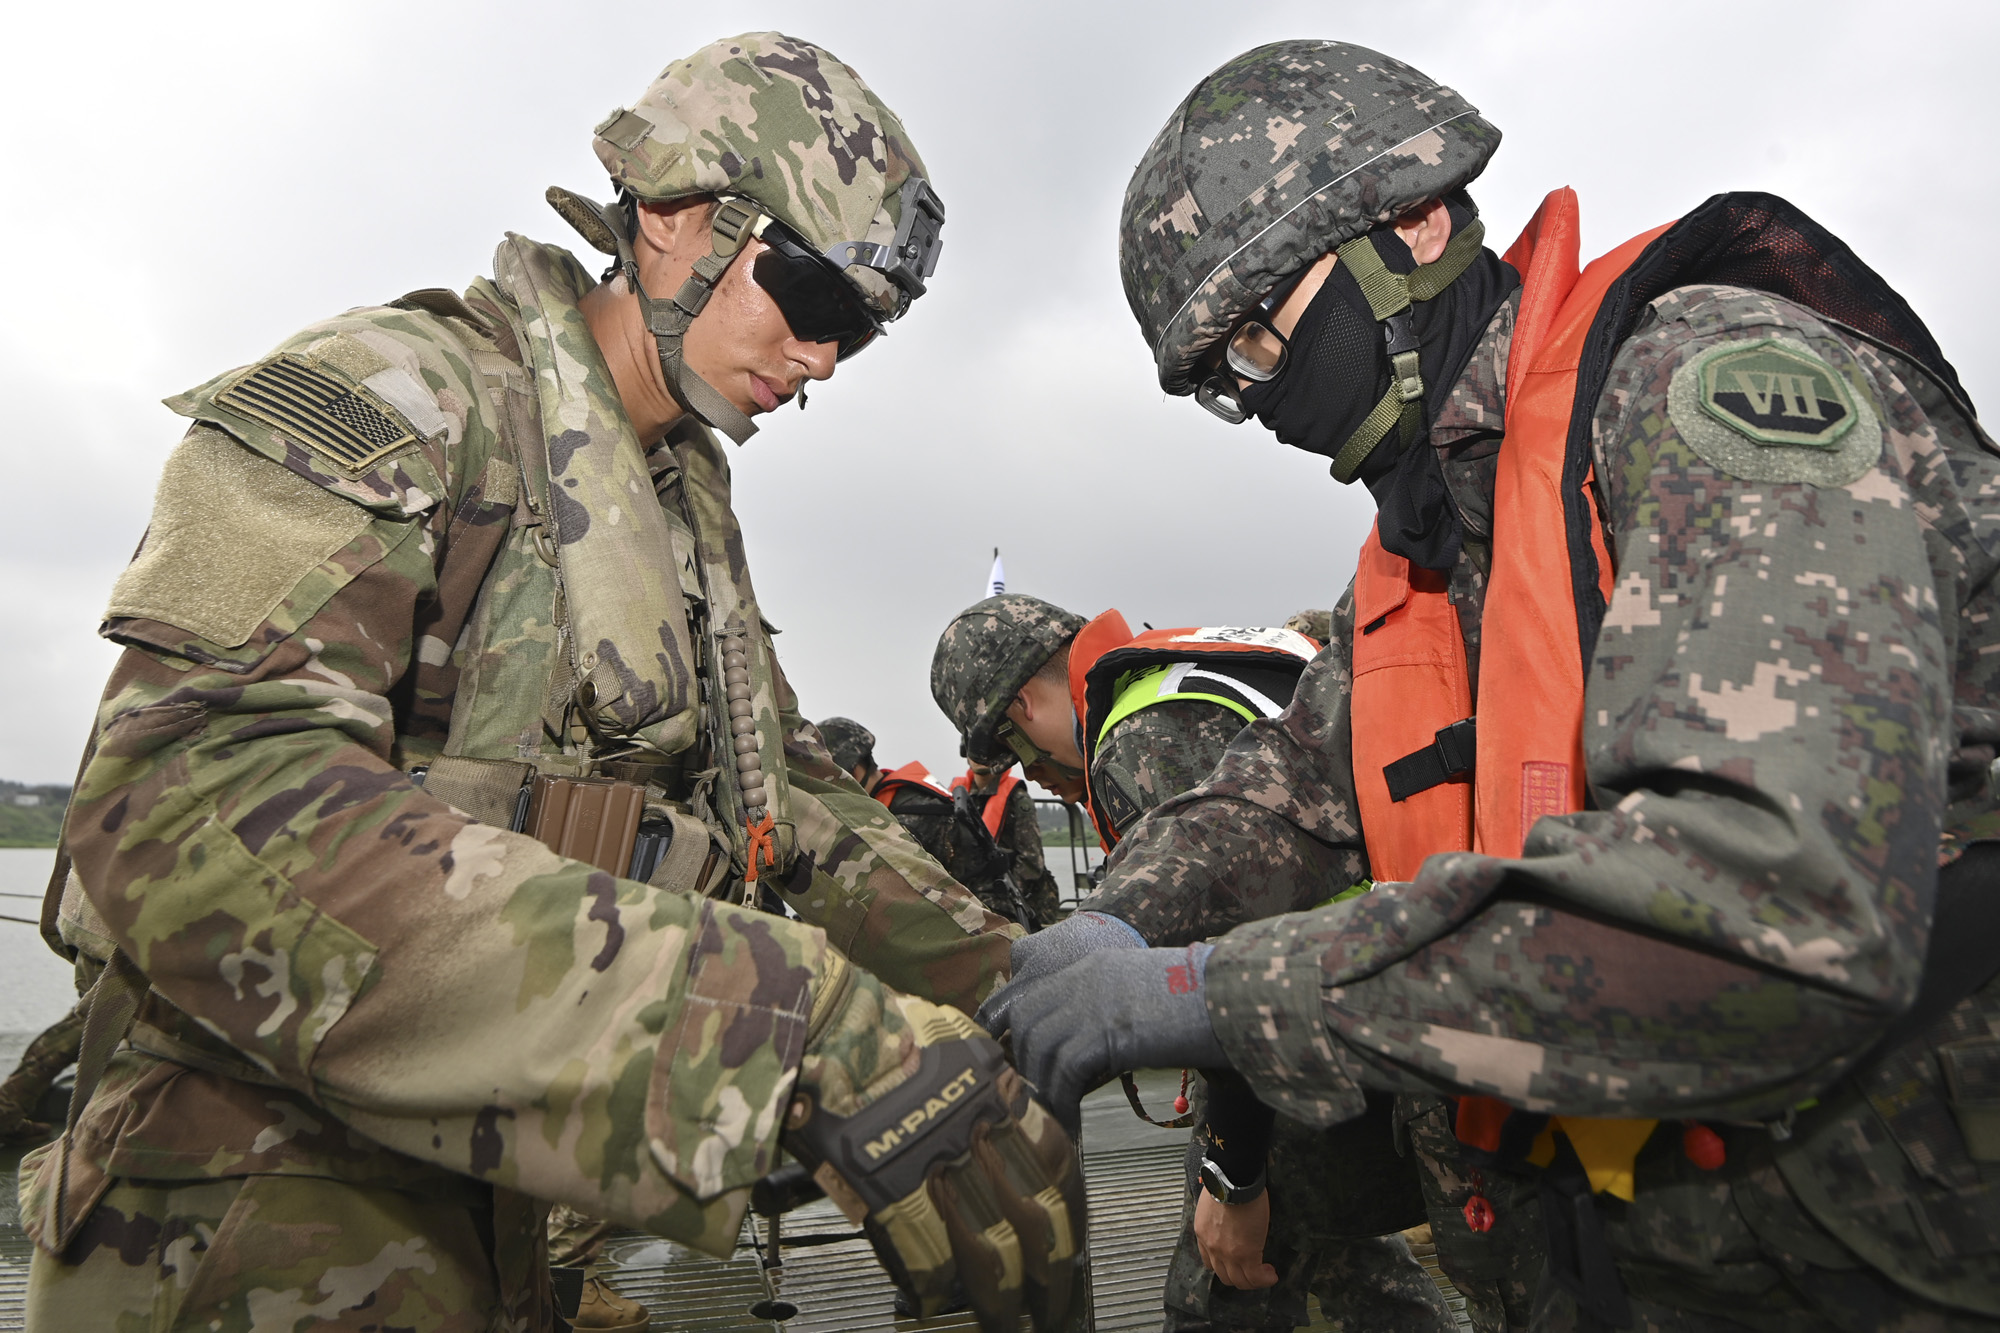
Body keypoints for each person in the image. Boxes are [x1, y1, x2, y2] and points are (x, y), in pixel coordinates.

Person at [20, 34, 1085, 1333]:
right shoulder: (396, 399)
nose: (821, 363)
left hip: (492, 1201)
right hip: (250, 1221)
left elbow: (786, 807)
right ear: (681, 217)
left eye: (857, 333)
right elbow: (184, 811)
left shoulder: (682, 503)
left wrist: (1018, 974)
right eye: (812, 300)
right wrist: (774, 1034)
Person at [989, 36, 2000, 1332]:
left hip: (1900, 1218)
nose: (1265, 397)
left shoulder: (1708, 396)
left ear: (1410, 224)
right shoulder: (1434, 538)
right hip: (1639, 1230)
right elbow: (1293, 799)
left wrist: (1214, 997)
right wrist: (1117, 928)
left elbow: (1771, 906)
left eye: (1261, 336)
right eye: (1223, 381)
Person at [934, 596, 1451, 1333]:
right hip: (1390, 997)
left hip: (1319, 1035)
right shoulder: (1187, 676)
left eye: (1013, 749)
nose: (1035, 778)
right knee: (1339, 1280)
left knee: (1224, 1289)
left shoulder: (1139, 742)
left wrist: (1233, 1172)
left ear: (1023, 704)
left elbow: (1234, 952)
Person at [817, 714, 1054, 927]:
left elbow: (1031, 861)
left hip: (992, 911)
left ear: (854, 772)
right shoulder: (903, 801)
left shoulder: (909, 816)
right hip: (971, 902)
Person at [954, 754, 1066, 928]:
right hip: (972, 891)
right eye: (973, 750)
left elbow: (1031, 861)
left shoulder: (1017, 798)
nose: (979, 756)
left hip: (1019, 896)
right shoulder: (958, 796)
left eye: (987, 750)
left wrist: (1003, 898)